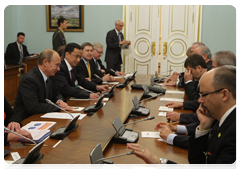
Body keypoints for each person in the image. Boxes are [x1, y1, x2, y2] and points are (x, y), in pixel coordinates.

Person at [127, 66, 238, 169]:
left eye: (204, 95)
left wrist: (160, 163)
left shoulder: (235, 132)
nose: (199, 100)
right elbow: (197, 161)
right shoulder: (223, 119)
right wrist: (203, 127)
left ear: (224, 95)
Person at [14, 49, 72, 121]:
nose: (58, 69)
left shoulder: (50, 75)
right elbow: (34, 107)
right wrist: (58, 107)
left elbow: (56, 93)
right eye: (56, 65)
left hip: (44, 116)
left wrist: (60, 101)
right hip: (26, 120)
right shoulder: (29, 80)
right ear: (45, 62)